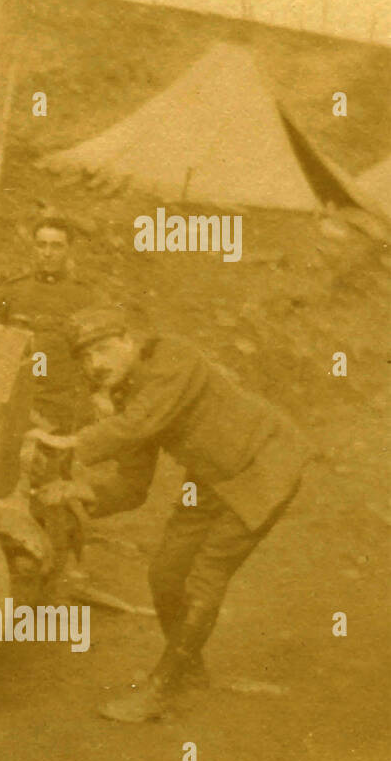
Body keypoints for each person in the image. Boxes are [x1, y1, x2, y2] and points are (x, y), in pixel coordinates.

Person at [30, 307, 311, 722]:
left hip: (265, 465)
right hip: (210, 479)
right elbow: (131, 487)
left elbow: (136, 425)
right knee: (164, 574)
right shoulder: (129, 399)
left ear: (130, 341)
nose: (96, 365)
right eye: (86, 358)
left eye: (104, 350)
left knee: (205, 577)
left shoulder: (172, 358)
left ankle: (162, 688)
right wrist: (76, 491)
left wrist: (69, 442)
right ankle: (190, 673)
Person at [0, 211, 102, 598]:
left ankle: (59, 571)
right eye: (41, 245)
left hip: (62, 406)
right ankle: (15, 559)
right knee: (9, 480)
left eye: (56, 246)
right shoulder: (13, 291)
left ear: (69, 250)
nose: (48, 253)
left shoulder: (85, 297)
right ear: (32, 247)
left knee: (56, 490)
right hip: (20, 401)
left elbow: (96, 357)